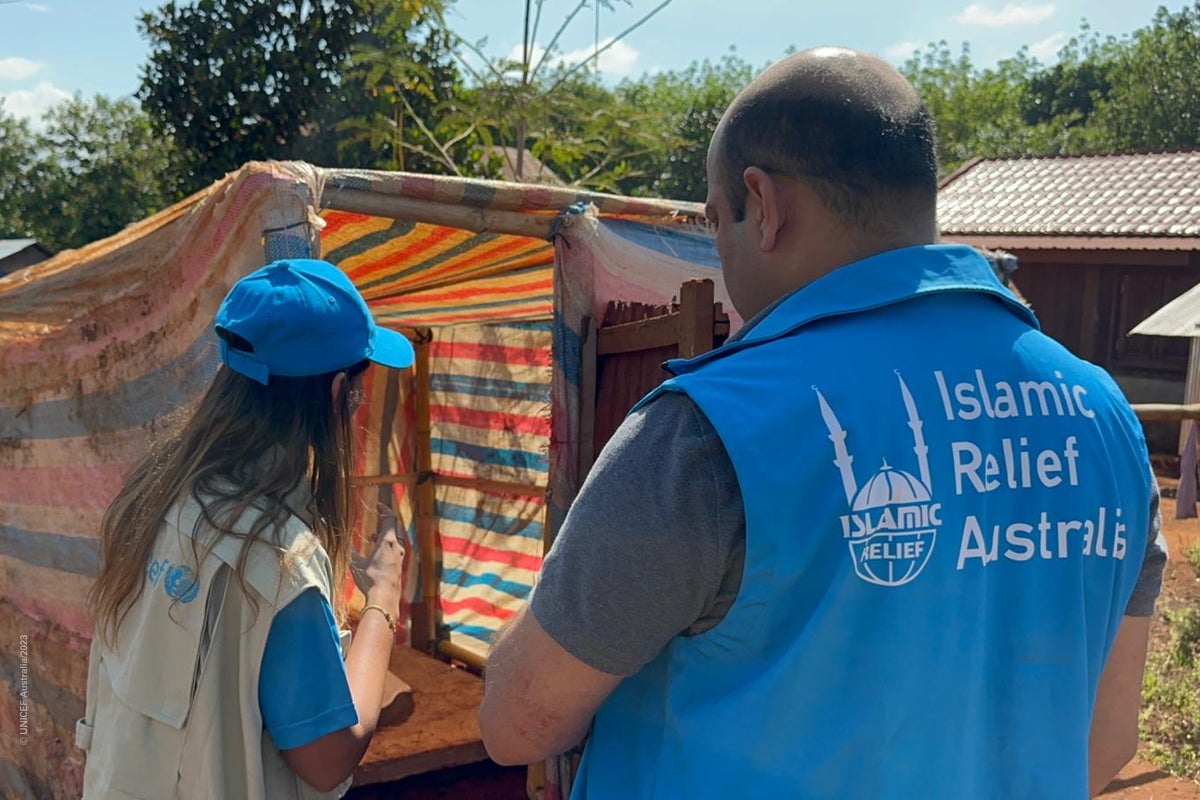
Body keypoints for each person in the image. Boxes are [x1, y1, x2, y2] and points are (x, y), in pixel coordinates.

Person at [479, 48, 1168, 799]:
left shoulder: (709, 433)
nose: (720, 252)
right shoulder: (1106, 420)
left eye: (716, 223)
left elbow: (520, 723)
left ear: (763, 206)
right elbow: (1104, 745)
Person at [77, 258, 414, 799]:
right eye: (358, 385)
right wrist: (384, 596)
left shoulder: (152, 495)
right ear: (333, 393)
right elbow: (329, 758)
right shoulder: (278, 559)